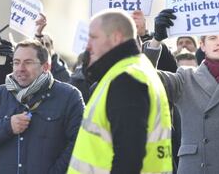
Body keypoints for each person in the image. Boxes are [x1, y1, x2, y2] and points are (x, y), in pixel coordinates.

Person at [68, 9, 172, 174]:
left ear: (116, 37)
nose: (87, 45)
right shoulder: (131, 71)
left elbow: (128, 157)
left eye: (93, 37)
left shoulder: (126, 79)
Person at [0, 39, 84, 174]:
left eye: (28, 62)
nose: (20, 68)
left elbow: (79, 143)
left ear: (45, 67)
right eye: (16, 62)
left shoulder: (69, 96)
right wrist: (8, 126)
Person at [144, 8, 219, 174]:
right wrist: (156, 40)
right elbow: (144, 78)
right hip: (195, 167)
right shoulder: (185, 77)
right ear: (202, 44)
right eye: (213, 38)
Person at [34, 14, 72, 82]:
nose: (44, 48)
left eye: (47, 45)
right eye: (41, 44)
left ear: (52, 48)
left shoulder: (64, 74)